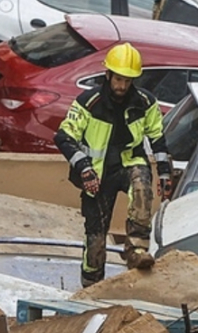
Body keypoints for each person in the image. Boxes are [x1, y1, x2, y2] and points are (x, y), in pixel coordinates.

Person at [54, 43, 172, 286]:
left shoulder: (144, 103)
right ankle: (91, 285)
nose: (122, 86)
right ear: (107, 75)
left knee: (141, 187)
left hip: (129, 162)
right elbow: (64, 136)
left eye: (128, 81)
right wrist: (84, 167)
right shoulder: (89, 103)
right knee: (95, 239)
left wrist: (164, 174)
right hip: (96, 173)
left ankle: (136, 251)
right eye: (118, 79)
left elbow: (158, 138)